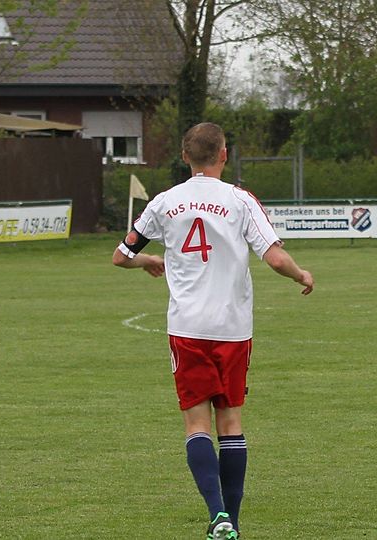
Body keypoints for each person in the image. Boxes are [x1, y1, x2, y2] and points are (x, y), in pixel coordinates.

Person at [111, 122, 315, 539]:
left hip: (186, 328)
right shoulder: (240, 200)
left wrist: (146, 262)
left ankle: (217, 514)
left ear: (185, 157)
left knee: (196, 426)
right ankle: (232, 523)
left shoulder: (164, 202)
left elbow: (120, 255)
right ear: (224, 154)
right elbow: (276, 259)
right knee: (232, 423)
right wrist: (301, 275)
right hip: (233, 329)